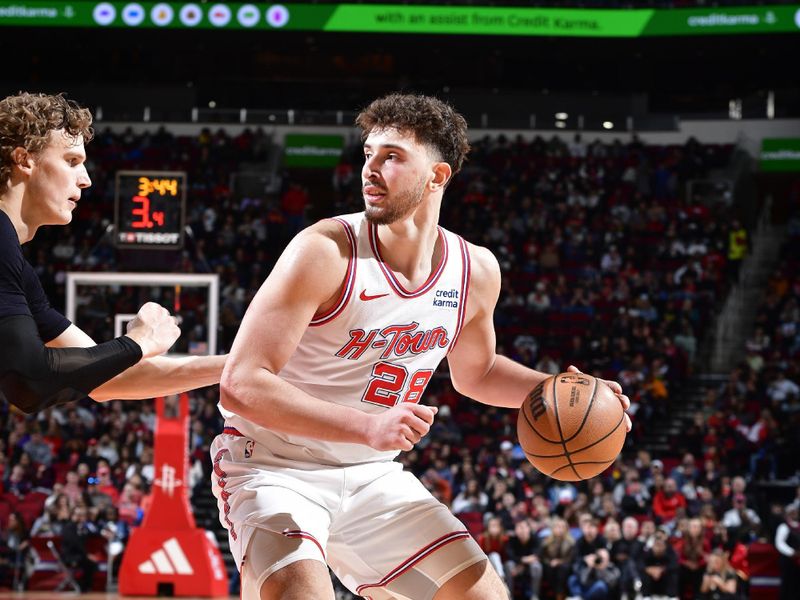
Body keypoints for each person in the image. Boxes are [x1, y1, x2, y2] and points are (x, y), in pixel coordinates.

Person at [213, 93, 631, 600]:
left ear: (438, 176)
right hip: (273, 465)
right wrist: (369, 425)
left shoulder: (474, 269)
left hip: (371, 476)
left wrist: (565, 392)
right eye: (368, 153)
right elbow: (240, 385)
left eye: (391, 156)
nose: (370, 168)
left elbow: (476, 373)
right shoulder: (324, 251)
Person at [0, 92, 226, 412]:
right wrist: (138, 342)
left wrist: (239, 365)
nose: (87, 180)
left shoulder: (16, 267)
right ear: (24, 160)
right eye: (72, 161)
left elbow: (107, 378)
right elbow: (29, 382)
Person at [775, 504, 799, 600]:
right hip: (788, 560)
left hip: (799, 561)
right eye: (791, 512)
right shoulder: (784, 526)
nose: (794, 514)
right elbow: (779, 543)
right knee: (787, 583)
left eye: (795, 512)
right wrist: (792, 552)